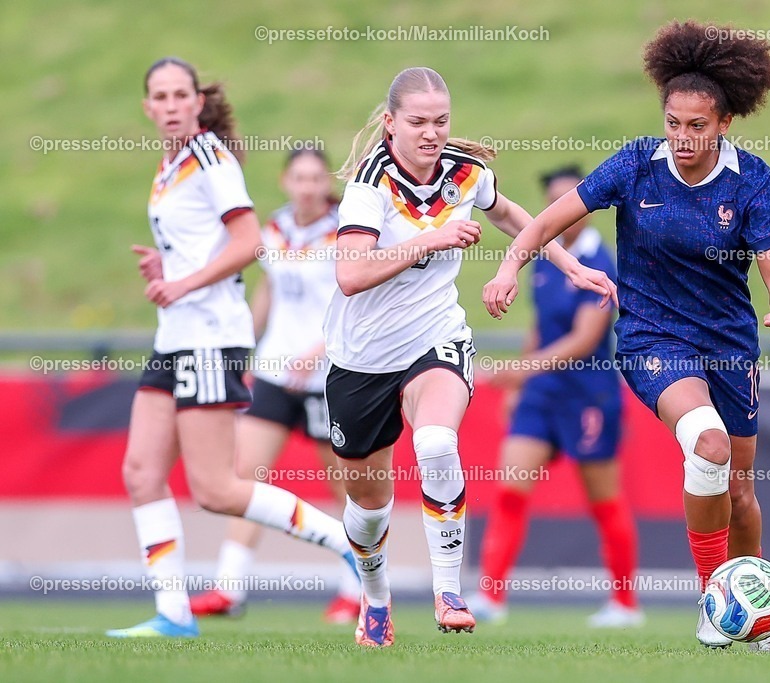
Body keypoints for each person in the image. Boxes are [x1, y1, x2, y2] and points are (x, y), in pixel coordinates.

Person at [483, 21, 770, 653]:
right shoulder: (635, 165)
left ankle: (759, 622)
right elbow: (546, 221)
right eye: (673, 123)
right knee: (707, 445)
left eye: (697, 125)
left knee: (740, 493)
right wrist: (509, 266)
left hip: (730, 346)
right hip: (653, 340)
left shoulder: (753, 181)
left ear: (725, 123)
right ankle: (712, 602)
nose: (682, 137)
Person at [325, 66, 615, 647]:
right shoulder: (369, 186)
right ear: (391, 124)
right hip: (362, 358)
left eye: (441, 121)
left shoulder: (465, 173)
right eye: (418, 122)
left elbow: (510, 215)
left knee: (436, 441)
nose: (432, 133)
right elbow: (351, 275)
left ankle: (449, 592)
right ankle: (375, 600)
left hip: (436, 338)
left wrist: (570, 264)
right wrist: (429, 239)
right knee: (369, 507)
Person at [107, 57, 357, 638]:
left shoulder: (209, 157)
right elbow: (211, 246)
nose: (170, 105)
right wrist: (167, 265)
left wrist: (184, 284)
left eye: (180, 95)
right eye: (160, 97)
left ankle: (351, 544)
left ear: (198, 102)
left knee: (217, 489)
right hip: (176, 336)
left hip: (210, 336)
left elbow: (246, 243)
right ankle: (173, 615)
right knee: (141, 472)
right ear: (147, 107)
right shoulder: (170, 164)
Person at [188, 146, 362, 623]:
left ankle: (357, 589)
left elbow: (356, 299)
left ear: (326, 183)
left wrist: (319, 349)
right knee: (246, 476)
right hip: (273, 371)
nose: (307, 187)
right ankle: (229, 588)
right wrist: (242, 343)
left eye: (315, 178)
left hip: (327, 375)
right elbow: (269, 290)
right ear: (285, 180)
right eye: (298, 178)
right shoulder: (275, 227)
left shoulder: (347, 230)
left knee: (345, 486)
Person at [469, 165, 642, 628]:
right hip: (542, 393)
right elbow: (540, 326)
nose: (565, 211)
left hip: (588, 395)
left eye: (572, 200)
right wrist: (523, 383)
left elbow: (584, 340)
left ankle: (625, 604)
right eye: (554, 202)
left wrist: (519, 371)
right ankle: (490, 596)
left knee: (604, 500)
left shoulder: (599, 262)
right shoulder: (545, 256)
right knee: (510, 487)